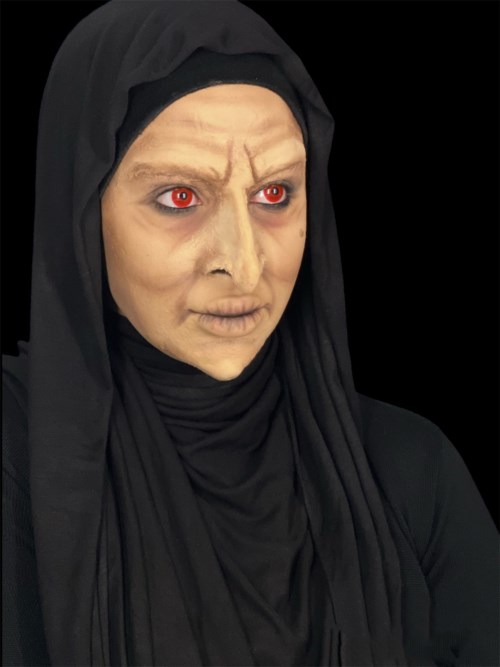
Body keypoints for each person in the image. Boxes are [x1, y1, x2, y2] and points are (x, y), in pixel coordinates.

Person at [2, 1, 498, 666]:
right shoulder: (17, 464)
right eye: (179, 198)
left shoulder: (410, 470)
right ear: (82, 213)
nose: (244, 262)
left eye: (274, 195)